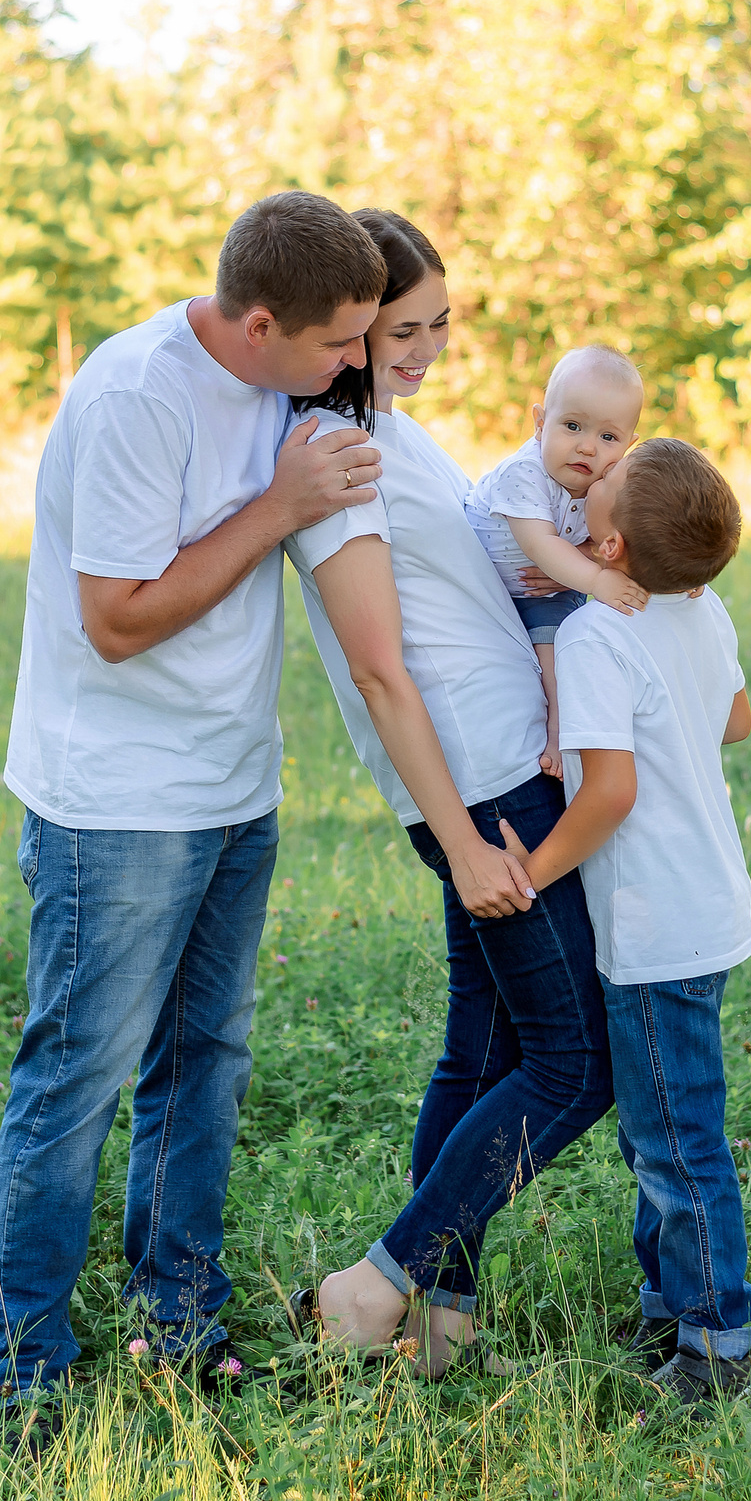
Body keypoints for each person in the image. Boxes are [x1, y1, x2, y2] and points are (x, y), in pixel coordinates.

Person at [0, 192, 393, 1435]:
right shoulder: (135, 396)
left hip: (232, 786)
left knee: (203, 1064)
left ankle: (179, 1320)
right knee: (79, 1076)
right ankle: (24, 1368)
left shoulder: (287, 383)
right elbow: (115, 619)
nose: (353, 366)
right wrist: (279, 505)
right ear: (260, 321)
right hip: (116, 804)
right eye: (335, 345)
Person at [282, 209, 612, 1373]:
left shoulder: (394, 430)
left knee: (481, 1051)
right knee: (578, 1063)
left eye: (439, 324)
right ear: (348, 327)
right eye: (402, 330)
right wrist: (465, 837)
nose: (424, 349)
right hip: (476, 789)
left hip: (503, 768)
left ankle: (443, 1320)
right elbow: (379, 667)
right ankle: (372, 1285)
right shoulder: (338, 450)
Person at [501, 438, 751, 1408]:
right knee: (658, 1129)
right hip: (702, 898)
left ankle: (722, 1347)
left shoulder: (592, 636)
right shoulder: (700, 606)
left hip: (657, 921)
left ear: (610, 547)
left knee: (675, 1140)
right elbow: (733, 717)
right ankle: (671, 1301)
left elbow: (609, 793)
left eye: (600, 485)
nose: (586, 475)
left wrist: (530, 873)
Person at [462, 348, 648, 774]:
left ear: (628, 446)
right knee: (553, 655)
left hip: (547, 588)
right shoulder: (524, 474)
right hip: (493, 582)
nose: (586, 447)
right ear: (540, 423)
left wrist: (681, 576)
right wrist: (597, 580)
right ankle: (560, 729)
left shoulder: (604, 483)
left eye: (608, 437)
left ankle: (618, 722)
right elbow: (542, 546)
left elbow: (634, 536)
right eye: (572, 426)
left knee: (587, 638)